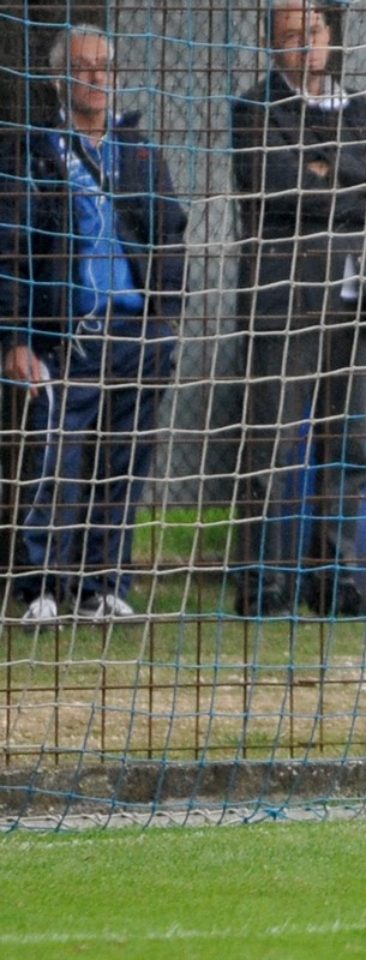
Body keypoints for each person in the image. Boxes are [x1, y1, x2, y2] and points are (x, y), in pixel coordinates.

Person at [230, 0, 366, 618]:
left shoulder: (354, 105)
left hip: (355, 298)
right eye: (289, 35)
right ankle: (262, 585)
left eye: (312, 32)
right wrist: (349, 173)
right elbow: (280, 185)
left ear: (331, 36)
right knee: (273, 447)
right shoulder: (254, 108)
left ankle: (332, 583)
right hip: (287, 302)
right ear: (273, 43)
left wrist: (330, 164)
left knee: (347, 449)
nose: (304, 44)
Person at [0, 25, 186, 622]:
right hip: (70, 335)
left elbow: (170, 231)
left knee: (125, 460)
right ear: (59, 77)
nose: (96, 77)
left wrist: (167, 312)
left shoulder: (137, 150)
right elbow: (13, 248)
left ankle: (105, 583)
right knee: (60, 458)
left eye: (104, 66)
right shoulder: (35, 152)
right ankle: (43, 586)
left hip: (139, 330)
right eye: (83, 67)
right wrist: (16, 336)